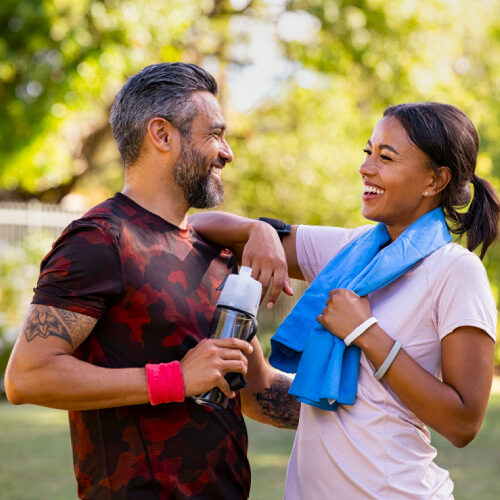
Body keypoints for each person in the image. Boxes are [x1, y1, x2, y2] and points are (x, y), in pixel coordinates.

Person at [4, 62, 300, 500]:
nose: (227, 152)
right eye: (214, 134)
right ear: (162, 135)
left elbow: (256, 392)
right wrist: (177, 378)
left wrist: (373, 393)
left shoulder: (211, 250)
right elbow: (27, 376)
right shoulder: (100, 239)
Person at [189, 102, 499, 499]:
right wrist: (257, 230)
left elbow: (464, 422)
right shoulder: (350, 250)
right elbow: (198, 227)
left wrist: (365, 332)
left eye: (386, 157)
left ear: (435, 180)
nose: (366, 168)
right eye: (368, 152)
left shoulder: (454, 271)